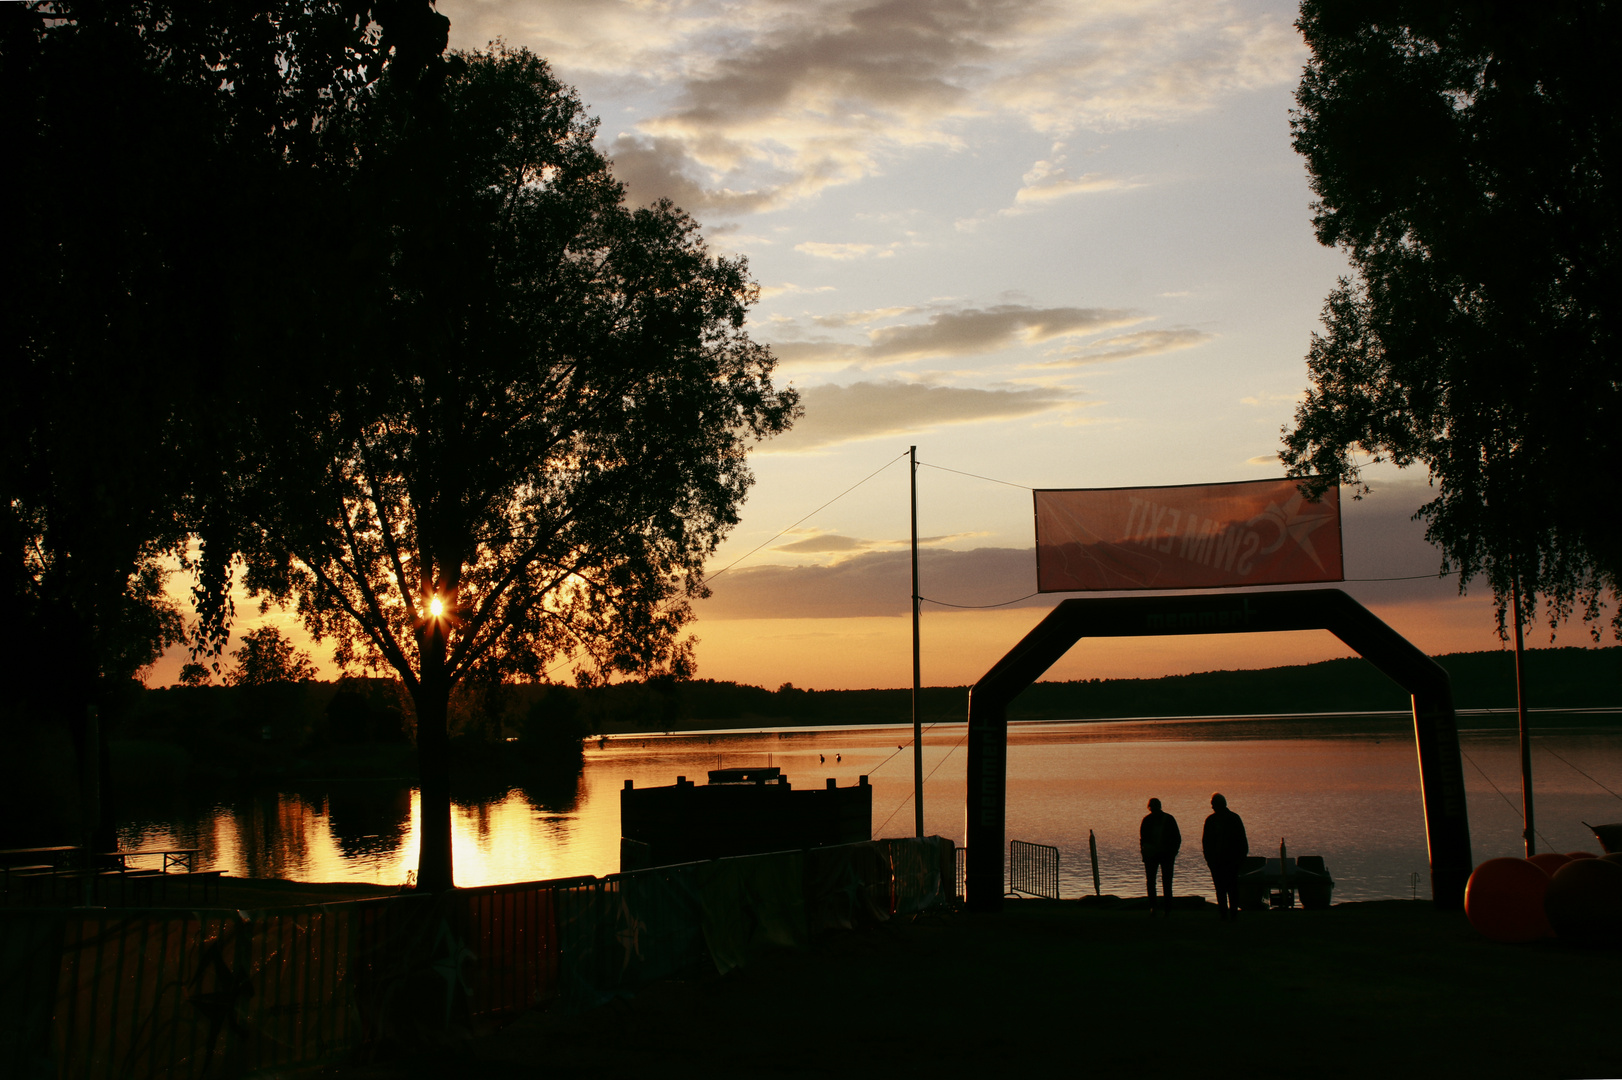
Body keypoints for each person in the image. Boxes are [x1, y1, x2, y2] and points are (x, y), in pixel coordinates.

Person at [1202, 792, 1249, 920]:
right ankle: (1225, 912)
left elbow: (1241, 841)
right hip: (1217, 861)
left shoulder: (1232, 819)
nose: (1212, 807)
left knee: (1230, 888)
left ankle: (1231, 912)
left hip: (1230, 860)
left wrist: (1240, 859)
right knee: (1222, 888)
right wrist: (1209, 859)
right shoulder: (1212, 820)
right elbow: (1206, 842)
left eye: (1213, 804)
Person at [1139, 797, 1181, 915]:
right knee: (1163, 881)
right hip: (1162, 855)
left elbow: (1143, 840)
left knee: (1155, 881)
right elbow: (1177, 838)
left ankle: (1157, 906)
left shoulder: (1148, 820)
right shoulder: (1168, 819)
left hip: (1158, 854)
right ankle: (1163, 907)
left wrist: (1144, 853)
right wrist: (1173, 851)